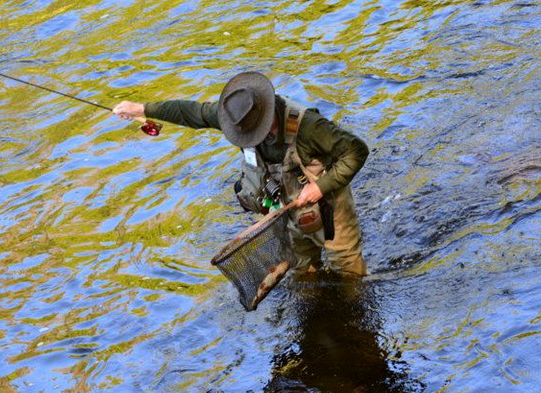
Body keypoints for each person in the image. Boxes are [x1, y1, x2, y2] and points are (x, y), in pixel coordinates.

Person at [113, 72, 368, 276]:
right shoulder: (236, 117)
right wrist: (142, 110)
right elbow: (193, 112)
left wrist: (321, 186)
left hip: (330, 206)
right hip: (290, 208)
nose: (246, 138)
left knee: (347, 271)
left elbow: (356, 151)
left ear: (268, 118)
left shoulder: (309, 127)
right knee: (303, 272)